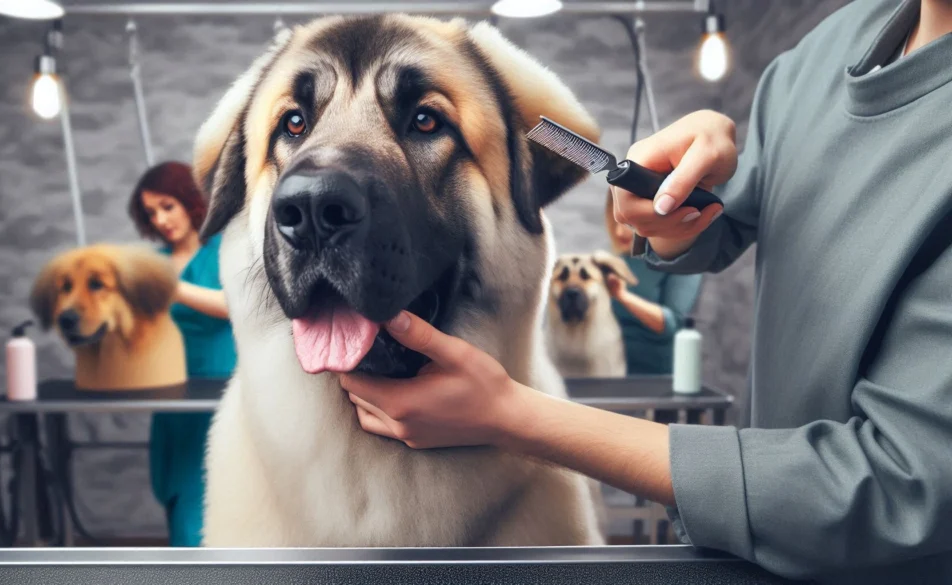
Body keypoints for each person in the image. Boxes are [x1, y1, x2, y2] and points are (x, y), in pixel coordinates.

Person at [338, 0, 952, 582]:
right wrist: (665, 202)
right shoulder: (813, 60)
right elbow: (722, 222)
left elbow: (898, 486)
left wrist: (512, 416)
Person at [127, 161, 237, 547]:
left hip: (224, 392)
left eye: (167, 206)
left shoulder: (227, 250)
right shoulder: (152, 264)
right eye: (151, 212)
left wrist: (171, 286)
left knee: (215, 495)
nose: (160, 219)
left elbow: (233, 304)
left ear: (190, 201)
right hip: (171, 393)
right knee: (177, 496)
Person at [603, 195, 703, 377]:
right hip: (611, 372)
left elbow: (671, 325)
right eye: (615, 221)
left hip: (657, 378)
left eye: (629, 224)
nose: (620, 233)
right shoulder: (616, 263)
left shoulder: (683, 264)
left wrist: (622, 296)